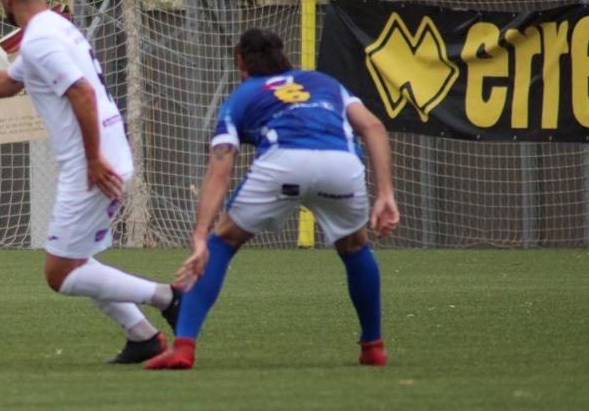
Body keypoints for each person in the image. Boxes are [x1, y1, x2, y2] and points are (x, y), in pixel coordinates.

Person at [0, 0, 182, 364]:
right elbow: (8, 84)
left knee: (60, 273)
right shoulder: (54, 27)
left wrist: (94, 159)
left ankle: (169, 298)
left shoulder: (40, 40)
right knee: (79, 261)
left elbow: (80, 92)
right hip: (101, 156)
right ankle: (143, 338)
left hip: (94, 163)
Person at [144, 28, 400, 370]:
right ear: (285, 57)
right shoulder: (325, 83)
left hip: (283, 163)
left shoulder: (244, 95)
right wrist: (385, 194)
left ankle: (184, 347)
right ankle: (373, 347)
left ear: (240, 62)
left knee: (223, 241)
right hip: (340, 165)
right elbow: (374, 127)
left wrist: (201, 235)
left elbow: (221, 166)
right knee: (355, 247)